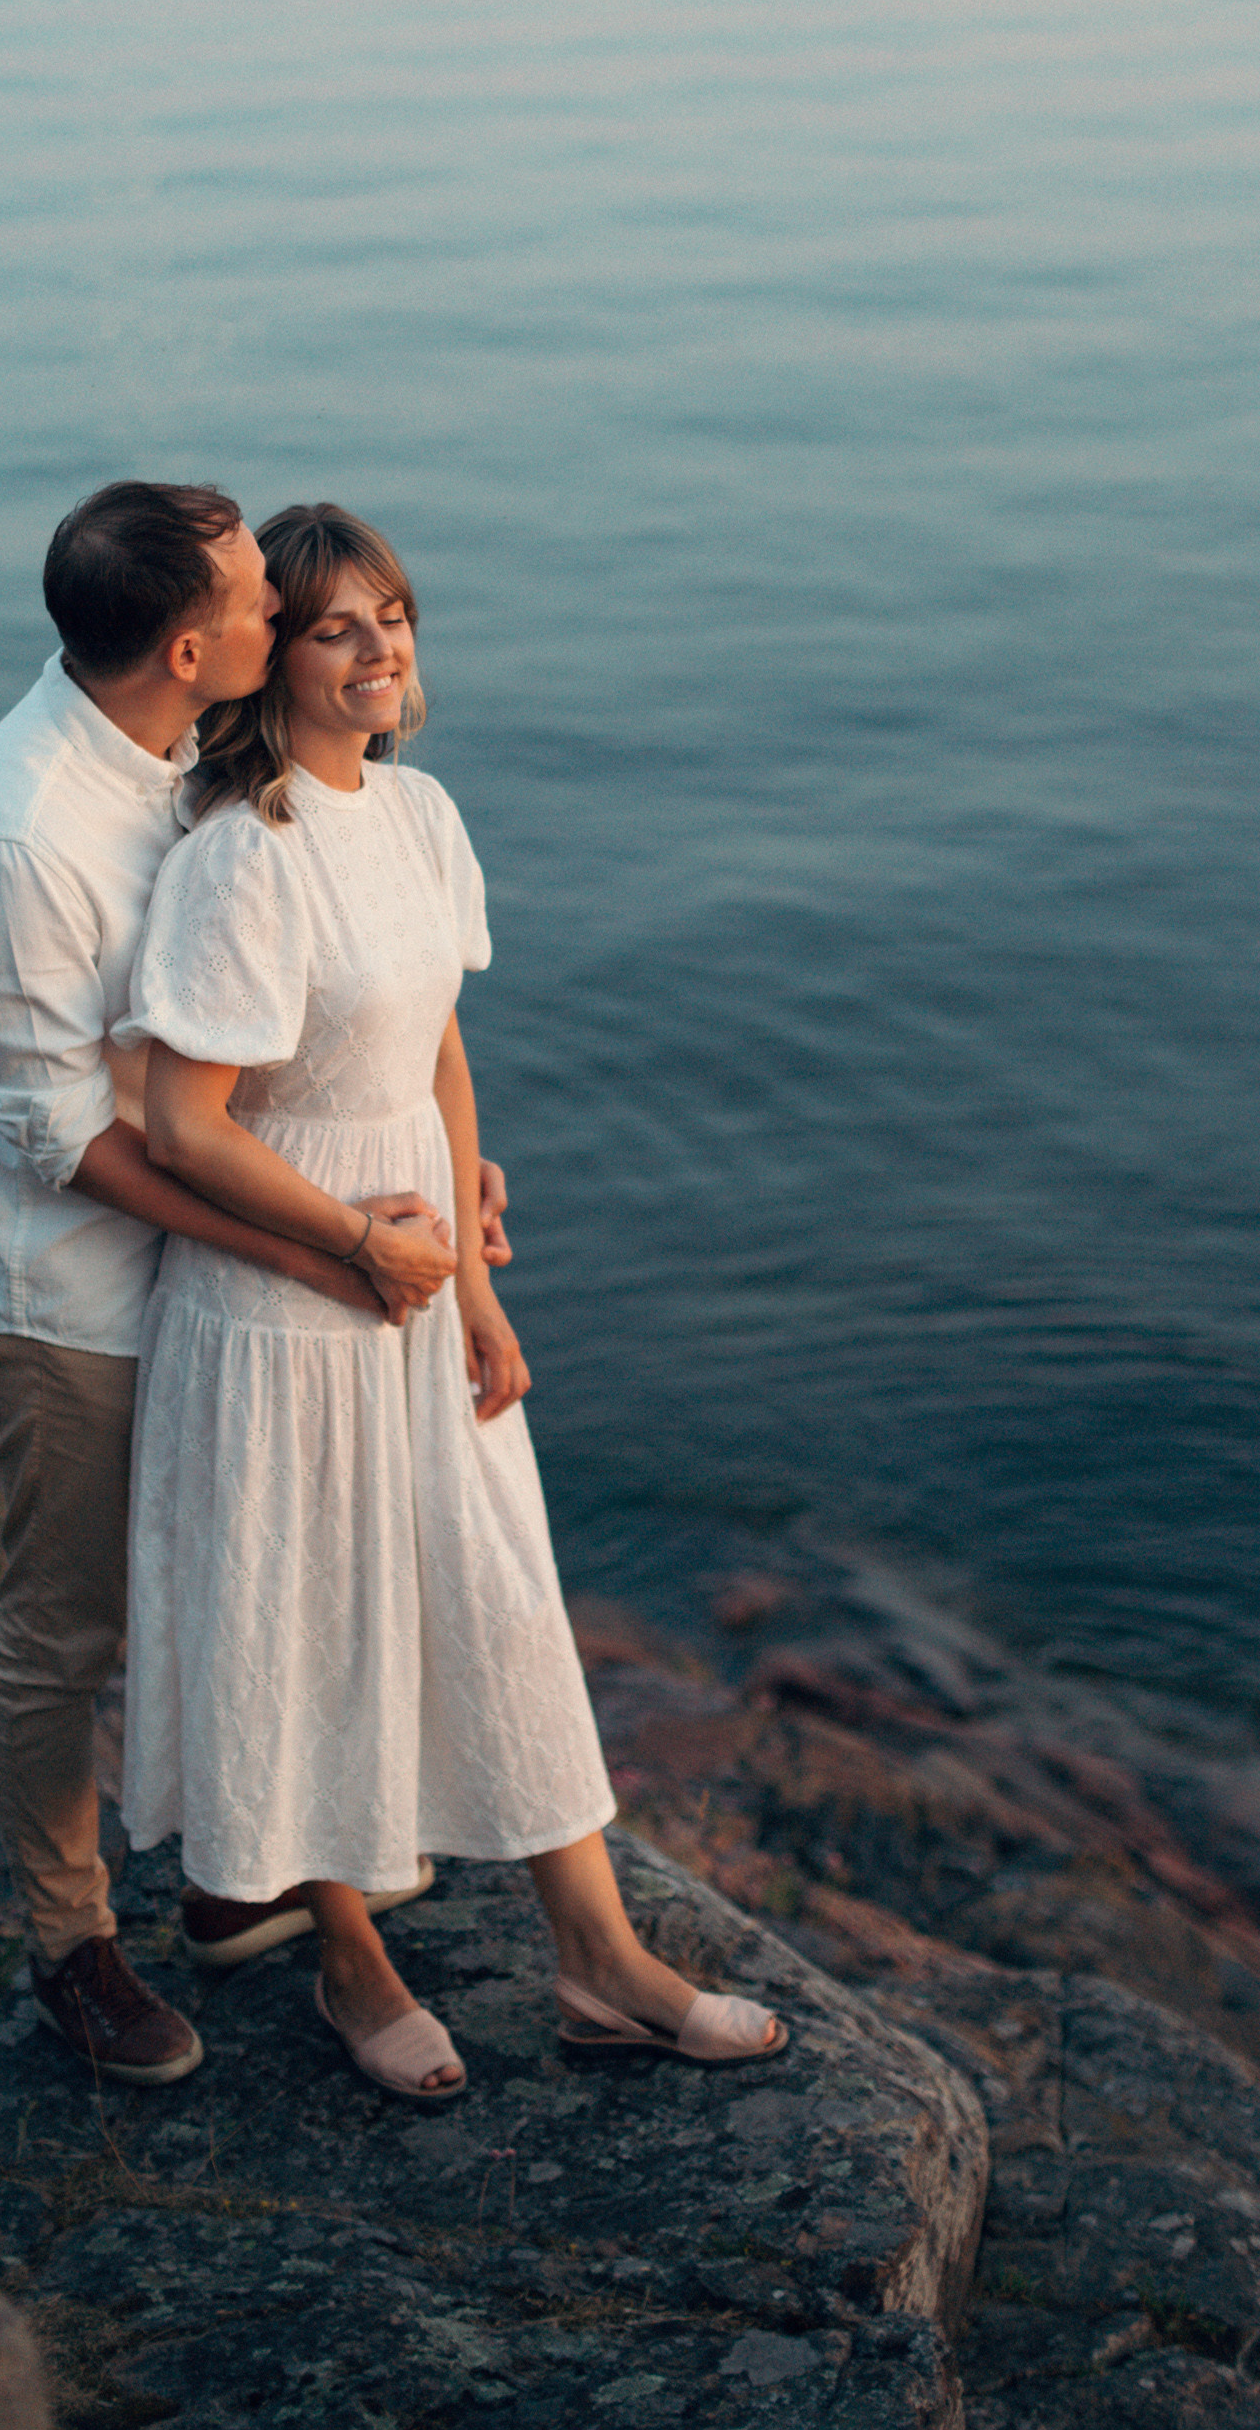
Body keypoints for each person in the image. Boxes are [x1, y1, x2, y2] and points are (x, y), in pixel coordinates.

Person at [113, 503, 786, 2101]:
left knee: (497, 1599)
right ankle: (349, 1962)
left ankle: (600, 1964)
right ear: (274, 658)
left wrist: (475, 1286)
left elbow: (434, 1049)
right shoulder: (239, 858)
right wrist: (354, 1238)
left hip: (418, 1280)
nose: (380, 647)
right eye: (338, 624)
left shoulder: (417, 817)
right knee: (299, 1618)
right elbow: (182, 1121)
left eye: (395, 616)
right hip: (280, 1298)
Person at [0, 479, 488, 2085]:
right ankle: (71, 1943)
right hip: (77, 1291)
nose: (282, 612)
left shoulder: (182, 752)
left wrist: (425, 1170)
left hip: (225, 1258)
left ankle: (246, 1880)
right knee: (74, 1623)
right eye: (259, 603)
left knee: (256, 1577)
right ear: (191, 647)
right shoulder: (19, 839)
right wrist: (328, 1240)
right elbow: (62, 1136)